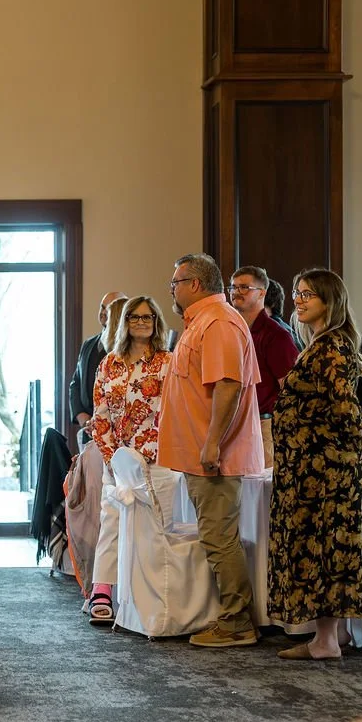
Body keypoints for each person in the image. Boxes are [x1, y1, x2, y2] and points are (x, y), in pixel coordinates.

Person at [158, 252, 264, 648]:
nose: (171, 289)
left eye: (175, 283)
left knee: (220, 538)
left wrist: (213, 443)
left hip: (214, 456)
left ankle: (237, 622)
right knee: (215, 536)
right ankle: (233, 618)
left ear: (195, 284)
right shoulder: (201, 322)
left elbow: (228, 386)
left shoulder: (218, 322)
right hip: (202, 453)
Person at [268, 269, 362, 660]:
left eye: (308, 294)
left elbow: (346, 410)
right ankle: (333, 635)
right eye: (296, 293)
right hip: (316, 469)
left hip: (323, 473)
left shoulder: (330, 347)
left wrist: (344, 451)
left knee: (321, 548)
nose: (299, 300)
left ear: (330, 300)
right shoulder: (323, 343)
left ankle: (325, 642)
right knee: (327, 547)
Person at [86, 296, 172, 624]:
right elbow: (101, 415)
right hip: (118, 459)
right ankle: (103, 590)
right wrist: (111, 457)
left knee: (151, 527)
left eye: (148, 316)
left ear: (156, 322)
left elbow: (172, 411)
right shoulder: (109, 363)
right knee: (111, 518)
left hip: (156, 458)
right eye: (134, 317)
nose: (141, 322)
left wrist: (153, 452)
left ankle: (143, 595)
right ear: (124, 322)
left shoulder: (167, 362)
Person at [228, 265, 298, 468]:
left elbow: (290, 388)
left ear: (262, 293)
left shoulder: (276, 335)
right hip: (235, 423)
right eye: (232, 287)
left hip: (264, 425)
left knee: (263, 488)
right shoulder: (232, 330)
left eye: (244, 287)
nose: (236, 292)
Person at [69, 289, 126, 444]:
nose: (103, 313)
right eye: (102, 307)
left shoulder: (125, 349)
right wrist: (82, 418)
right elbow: (75, 383)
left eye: (109, 309)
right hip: (88, 430)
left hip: (115, 433)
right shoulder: (88, 344)